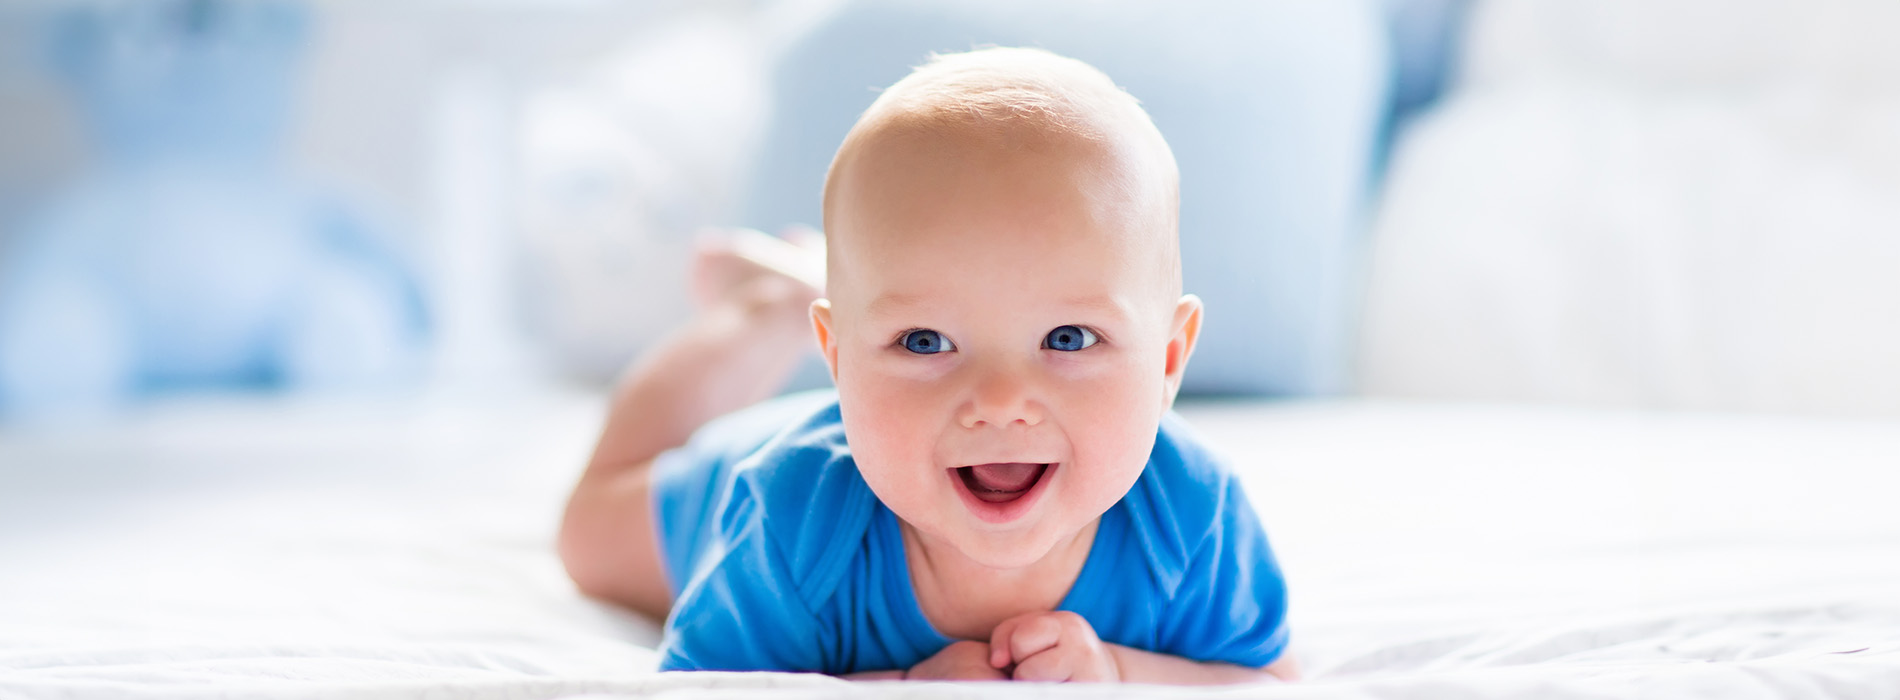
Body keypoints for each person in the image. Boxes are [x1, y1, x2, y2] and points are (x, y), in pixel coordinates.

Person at [558, 47, 1296, 683]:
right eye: (924, 341)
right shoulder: (791, 520)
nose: (1002, 401)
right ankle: (769, 311)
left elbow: (1263, 676)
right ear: (839, 359)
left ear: (1168, 359)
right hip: (723, 485)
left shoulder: (1192, 517)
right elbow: (708, 689)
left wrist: (1117, 670)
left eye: (1068, 338)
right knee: (587, 535)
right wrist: (901, 684)